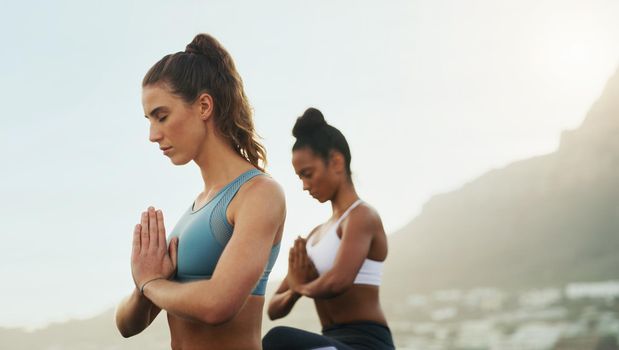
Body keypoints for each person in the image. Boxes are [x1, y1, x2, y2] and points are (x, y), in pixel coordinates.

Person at [114, 33, 285, 350]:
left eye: (162, 116)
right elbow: (127, 326)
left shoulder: (258, 194)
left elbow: (218, 304)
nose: (153, 135)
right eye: (149, 120)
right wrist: (143, 283)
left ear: (204, 106)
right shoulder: (196, 207)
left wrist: (152, 283)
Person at [262, 108, 395, 350]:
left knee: (278, 340)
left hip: (367, 343)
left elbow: (338, 282)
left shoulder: (361, 216)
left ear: (336, 162)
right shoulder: (314, 236)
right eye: (299, 177)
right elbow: (273, 309)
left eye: (308, 174)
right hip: (332, 341)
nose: (304, 186)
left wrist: (299, 285)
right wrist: (295, 288)